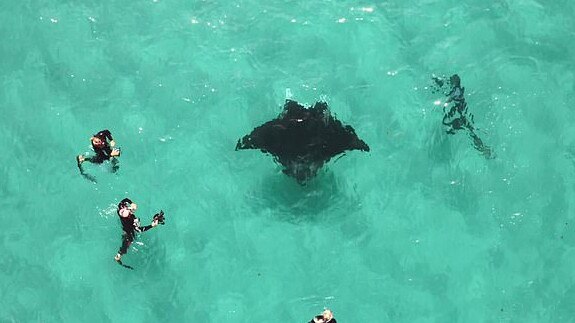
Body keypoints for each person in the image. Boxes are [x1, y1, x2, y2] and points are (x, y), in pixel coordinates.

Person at [432, 74, 493, 158]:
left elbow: (448, 100)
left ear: (453, 83)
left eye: (451, 81)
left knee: (467, 130)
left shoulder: (456, 91)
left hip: (459, 114)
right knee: (470, 130)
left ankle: (482, 148)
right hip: (462, 113)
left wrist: (442, 103)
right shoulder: (459, 89)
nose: (449, 82)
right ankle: (483, 148)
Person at [114, 198, 165, 269]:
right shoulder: (132, 222)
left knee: (126, 238)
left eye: (128, 209)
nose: (131, 210)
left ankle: (119, 254)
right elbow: (139, 230)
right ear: (129, 215)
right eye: (130, 211)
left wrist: (131, 203)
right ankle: (118, 256)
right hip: (129, 232)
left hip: (125, 227)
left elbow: (125, 200)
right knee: (127, 242)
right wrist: (151, 226)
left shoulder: (120, 209)